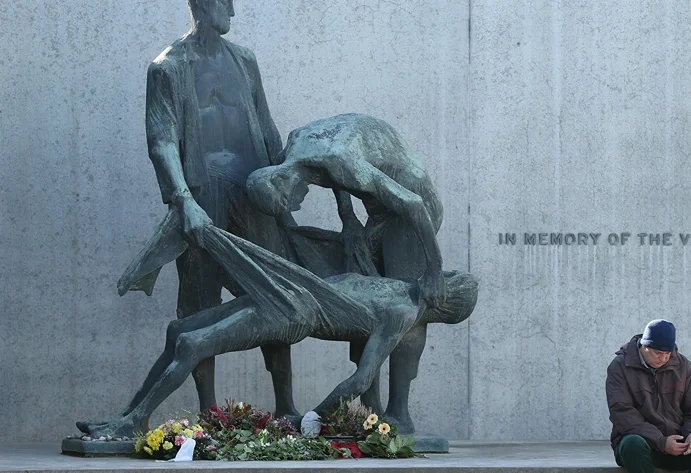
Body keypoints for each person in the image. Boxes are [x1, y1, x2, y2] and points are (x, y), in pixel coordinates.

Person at [78, 224, 478, 439]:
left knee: (191, 343)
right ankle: (129, 416)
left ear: (444, 302)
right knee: (179, 330)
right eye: (446, 273)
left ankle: (136, 421)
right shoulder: (395, 285)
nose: (439, 276)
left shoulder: (401, 312)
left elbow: (361, 377)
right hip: (291, 288)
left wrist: (316, 417)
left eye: (447, 280)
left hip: (295, 312)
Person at [134, 0, 296, 415]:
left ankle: (286, 407)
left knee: (275, 292)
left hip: (252, 193)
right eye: (227, 3)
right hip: (203, 197)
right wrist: (183, 201)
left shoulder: (244, 60)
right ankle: (209, 413)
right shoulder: (167, 67)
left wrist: (284, 179)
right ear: (205, 2)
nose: (234, 12)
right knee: (199, 304)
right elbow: (162, 141)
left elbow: (265, 122)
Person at [247, 113, 446, 430]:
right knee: (368, 296)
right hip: (379, 209)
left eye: (288, 203)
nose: (295, 208)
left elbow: (413, 204)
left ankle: (400, 414)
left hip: (411, 205)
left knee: (407, 300)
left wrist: (434, 271)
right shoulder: (293, 149)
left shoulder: (338, 160)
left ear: (281, 180)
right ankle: (371, 412)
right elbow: (331, 174)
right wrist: (347, 216)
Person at [605, 319, 691, 473]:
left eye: (668, 353)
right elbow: (622, 413)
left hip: (679, 445)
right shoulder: (620, 367)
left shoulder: (683, 365)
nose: (664, 358)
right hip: (645, 447)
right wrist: (661, 442)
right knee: (632, 445)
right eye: (658, 353)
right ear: (644, 346)